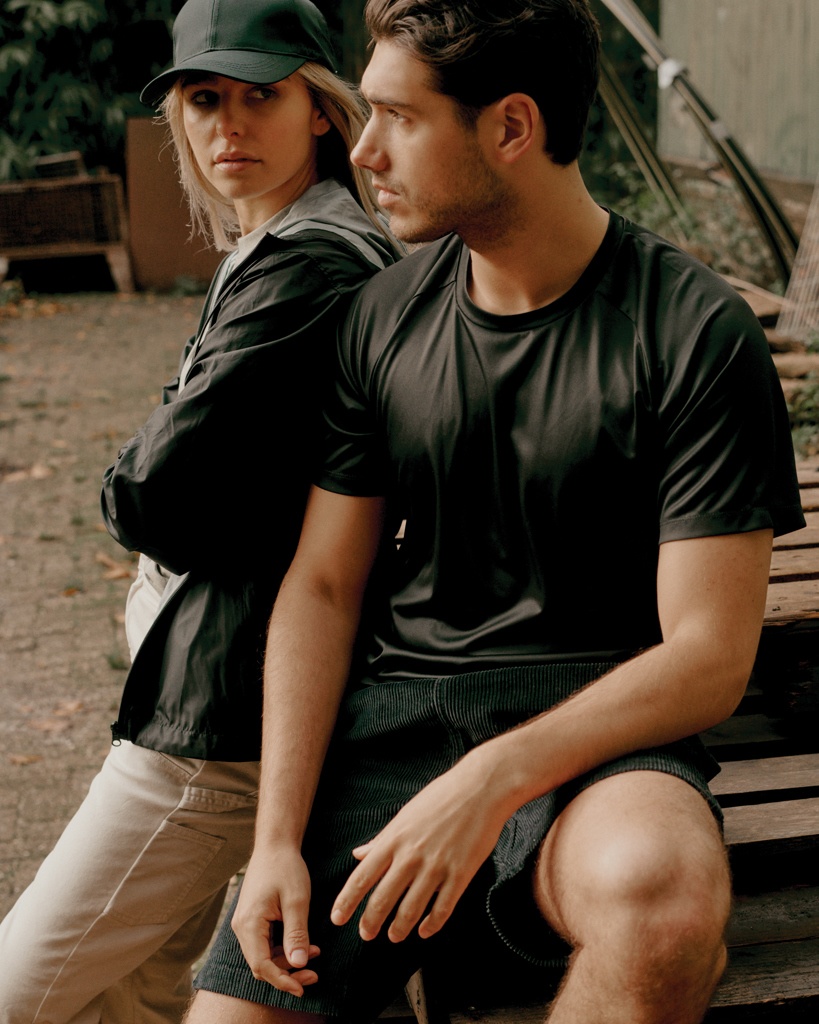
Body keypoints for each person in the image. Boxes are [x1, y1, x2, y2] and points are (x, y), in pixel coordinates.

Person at [188, 1, 805, 1022]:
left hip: (601, 738)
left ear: (512, 127)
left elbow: (708, 655)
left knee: (662, 906)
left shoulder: (692, 330)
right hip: (394, 730)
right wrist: (276, 840)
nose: (364, 151)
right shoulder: (380, 319)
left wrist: (494, 776)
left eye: (399, 117)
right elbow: (325, 584)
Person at [0, 2, 401, 1022]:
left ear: (321, 108)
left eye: (261, 96)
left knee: (19, 990)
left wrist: (143, 472)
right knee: (135, 996)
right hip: (219, 690)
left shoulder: (313, 264)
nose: (229, 125)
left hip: (216, 726)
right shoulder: (279, 243)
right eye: (203, 99)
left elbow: (151, 492)